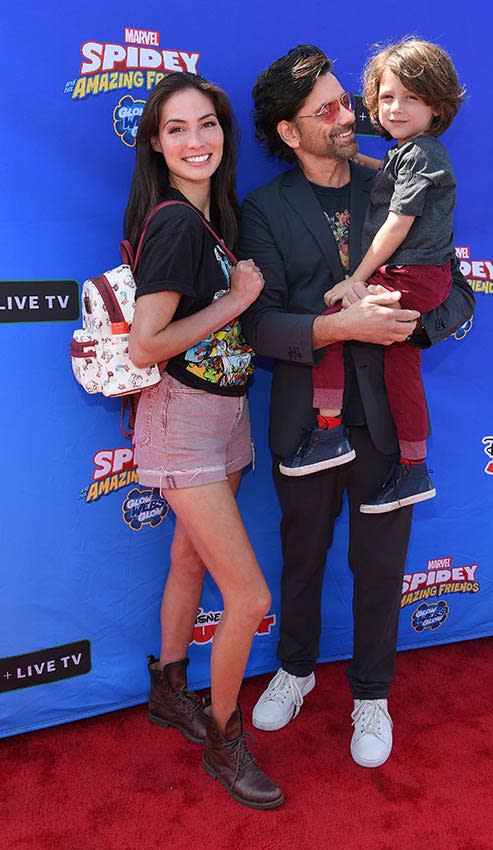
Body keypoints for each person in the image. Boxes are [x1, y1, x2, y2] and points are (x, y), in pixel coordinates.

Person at [239, 45, 474, 768]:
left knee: (380, 566)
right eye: (329, 110)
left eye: (350, 103)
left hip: (386, 424)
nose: (353, 117)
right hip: (305, 419)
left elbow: (456, 291)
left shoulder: (401, 174)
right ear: (289, 131)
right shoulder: (263, 209)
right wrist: (339, 325)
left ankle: (371, 694)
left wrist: (408, 322)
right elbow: (257, 324)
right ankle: (296, 669)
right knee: (302, 560)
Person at [125, 72, 282, 809]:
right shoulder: (177, 223)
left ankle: (166, 688)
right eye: (177, 129)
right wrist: (238, 298)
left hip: (227, 415)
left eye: (207, 124)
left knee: (189, 559)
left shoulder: (206, 219)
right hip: (182, 419)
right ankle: (225, 740)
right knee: (247, 598)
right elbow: (144, 348)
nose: (197, 141)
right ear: (155, 144)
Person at [279, 38, 465, 516]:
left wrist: (355, 279)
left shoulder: (422, 153)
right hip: (418, 274)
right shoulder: (410, 154)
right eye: (386, 97)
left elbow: (397, 222)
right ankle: (414, 466)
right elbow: (391, 172)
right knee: (402, 365)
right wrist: (357, 160)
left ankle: (328, 430)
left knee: (339, 314)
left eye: (412, 98)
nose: (396, 108)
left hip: (414, 274)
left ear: (438, 106)